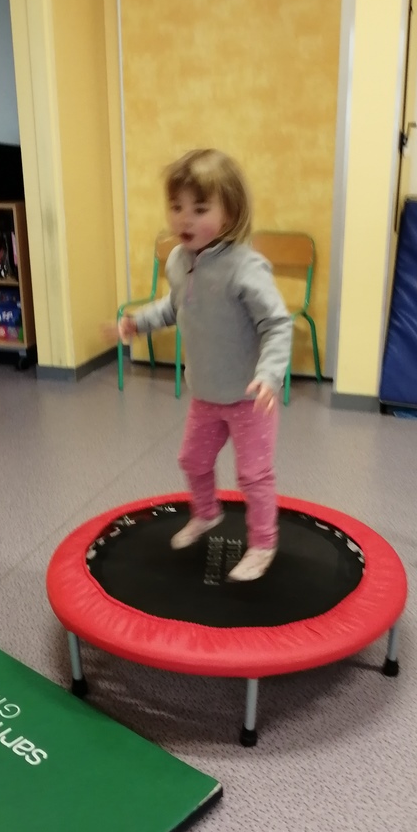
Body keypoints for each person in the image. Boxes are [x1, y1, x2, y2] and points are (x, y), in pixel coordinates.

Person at [114, 149, 293, 582]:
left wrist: (269, 375)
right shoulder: (179, 260)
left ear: (230, 211)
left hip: (249, 398)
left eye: (199, 209)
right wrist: (138, 323)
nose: (185, 219)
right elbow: (174, 306)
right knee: (192, 460)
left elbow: (276, 324)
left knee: (253, 475)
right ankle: (207, 512)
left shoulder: (245, 268)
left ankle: (263, 543)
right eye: (176, 207)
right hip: (206, 394)